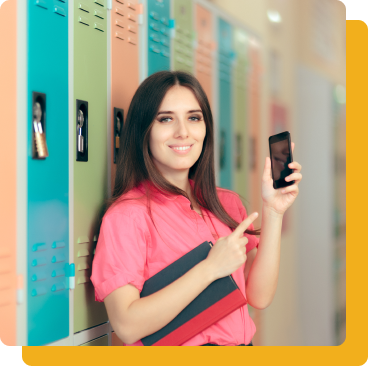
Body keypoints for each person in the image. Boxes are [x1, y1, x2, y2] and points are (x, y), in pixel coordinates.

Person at [90, 71, 302, 346]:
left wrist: (274, 212)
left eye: (194, 118)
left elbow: (258, 296)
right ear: (144, 130)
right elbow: (127, 325)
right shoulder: (127, 216)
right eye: (165, 119)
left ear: (206, 128)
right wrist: (209, 268)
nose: (183, 132)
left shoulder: (225, 203)